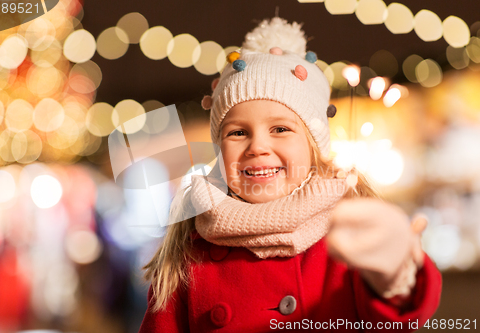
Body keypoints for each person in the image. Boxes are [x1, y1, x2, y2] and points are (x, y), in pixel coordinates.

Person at [138, 17, 442, 332]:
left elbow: (397, 314)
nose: (258, 146)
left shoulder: (346, 231)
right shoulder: (189, 252)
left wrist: (396, 272)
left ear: (313, 146)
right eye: (238, 132)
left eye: (280, 129)